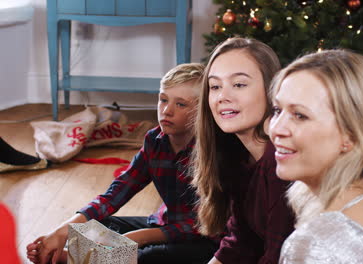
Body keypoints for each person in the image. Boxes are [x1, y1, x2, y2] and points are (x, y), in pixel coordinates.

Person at [26, 63, 219, 264]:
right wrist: (62, 231)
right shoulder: (155, 140)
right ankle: (90, 258)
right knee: (95, 226)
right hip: (164, 224)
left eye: (181, 104)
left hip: (204, 239)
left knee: (152, 256)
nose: (166, 111)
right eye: (163, 100)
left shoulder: (212, 152)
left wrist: (141, 237)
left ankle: (75, 259)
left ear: (201, 111)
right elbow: (117, 192)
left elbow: (204, 224)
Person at [268, 50, 363, 263]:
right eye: (278, 110)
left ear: (351, 134)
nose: (276, 129)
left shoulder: (317, 243)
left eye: (300, 115)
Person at [191, 37, 295, 264]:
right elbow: (241, 242)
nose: (222, 97)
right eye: (215, 86)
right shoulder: (240, 157)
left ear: (272, 90)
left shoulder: (281, 163)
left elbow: (278, 259)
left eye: (239, 84)